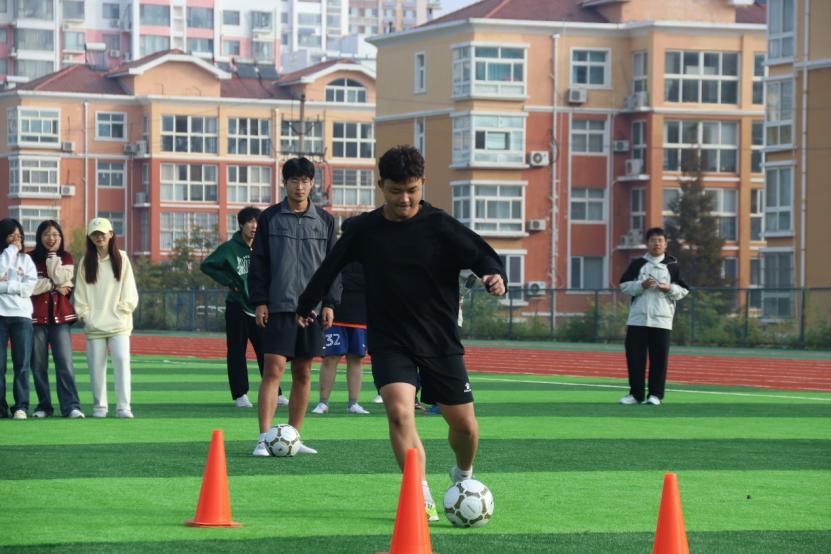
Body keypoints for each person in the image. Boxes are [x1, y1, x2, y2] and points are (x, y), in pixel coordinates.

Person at [296, 145, 506, 522]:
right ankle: (418, 493)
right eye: (396, 191)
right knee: (398, 413)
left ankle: (463, 477)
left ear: (422, 183)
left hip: (439, 339)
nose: (405, 199)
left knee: (465, 428)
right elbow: (330, 267)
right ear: (381, 186)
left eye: (412, 190)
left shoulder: (440, 226)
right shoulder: (364, 230)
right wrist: (307, 304)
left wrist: (495, 275)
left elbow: (483, 255)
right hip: (390, 338)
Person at [248, 157, 340, 456]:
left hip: (311, 309)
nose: (300, 187)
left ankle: (293, 437)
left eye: (305, 181)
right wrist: (260, 301)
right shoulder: (270, 218)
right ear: (284, 183)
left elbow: (333, 265)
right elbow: (259, 262)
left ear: (312, 184)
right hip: (279, 305)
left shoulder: (325, 220)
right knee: (273, 369)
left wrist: (329, 302)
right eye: (294, 181)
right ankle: (263, 437)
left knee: (303, 372)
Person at [200, 207, 288, 409]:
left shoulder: (264, 246)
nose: (254, 226)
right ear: (241, 225)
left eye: (257, 222)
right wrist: (229, 281)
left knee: (268, 351)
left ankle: (276, 392)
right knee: (237, 351)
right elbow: (207, 265)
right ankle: (240, 394)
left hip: (260, 307)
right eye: (249, 222)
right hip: (237, 306)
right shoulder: (230, 248)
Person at [74, 217, 139, 418]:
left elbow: (130, 290)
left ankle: (123, 407)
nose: (99, 237)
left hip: (119, 324)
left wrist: (122, 310)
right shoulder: (85, 262)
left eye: (102, 233)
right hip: (94, 326)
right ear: (90, 237)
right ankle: (99, 407)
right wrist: (86, 316)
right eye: (95, 234)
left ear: (111, 234)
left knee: (122, 362)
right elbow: (80, 293)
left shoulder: (122, 258)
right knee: (96, 368)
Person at [618, 227, 689, 406]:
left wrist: (669, 288)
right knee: (635, 358)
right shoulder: (637, 264)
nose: (656, 243)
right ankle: (635, 395)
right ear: (647, 243)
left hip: (661, 320)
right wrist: (640, 285)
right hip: (638, 319)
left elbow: (684, 290)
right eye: (653, 240)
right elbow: (624, 285)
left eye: (660, 240)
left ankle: (655, 395)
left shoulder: (672, 266)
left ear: (666, 244)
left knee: (659, 359)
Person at [312, 217, 370, 416]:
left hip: (361, 315)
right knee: (331, 357)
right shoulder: (335, 253)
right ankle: (323, 402)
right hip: (334, 313)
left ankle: (353, 403)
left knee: (356, 358)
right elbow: (327, 279)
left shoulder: (372, 255)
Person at [29, 220, 85, 419]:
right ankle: (44, 406)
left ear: (61, 237)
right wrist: (53, 285)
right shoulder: (29, 258)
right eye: (46, 234)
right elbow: (29, 287)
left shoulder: (66, 257)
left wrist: (52, 258)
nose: (51, 238)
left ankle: (71, 407)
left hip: (60, 318)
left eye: (55, 234)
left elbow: (63, 280)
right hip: (36, 319)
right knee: (38, 366)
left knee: (65, 364)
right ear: (39, 237)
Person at [0, 218, 37, 420]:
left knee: (21, 364)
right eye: (12, 235)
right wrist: (11, 251)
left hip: (22, 316)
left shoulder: (26, 260)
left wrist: (5, 287)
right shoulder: (4, 256)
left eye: (19, 236)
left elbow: (29, 288)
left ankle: (21, 406)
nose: (17, 239)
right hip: (0, 316)